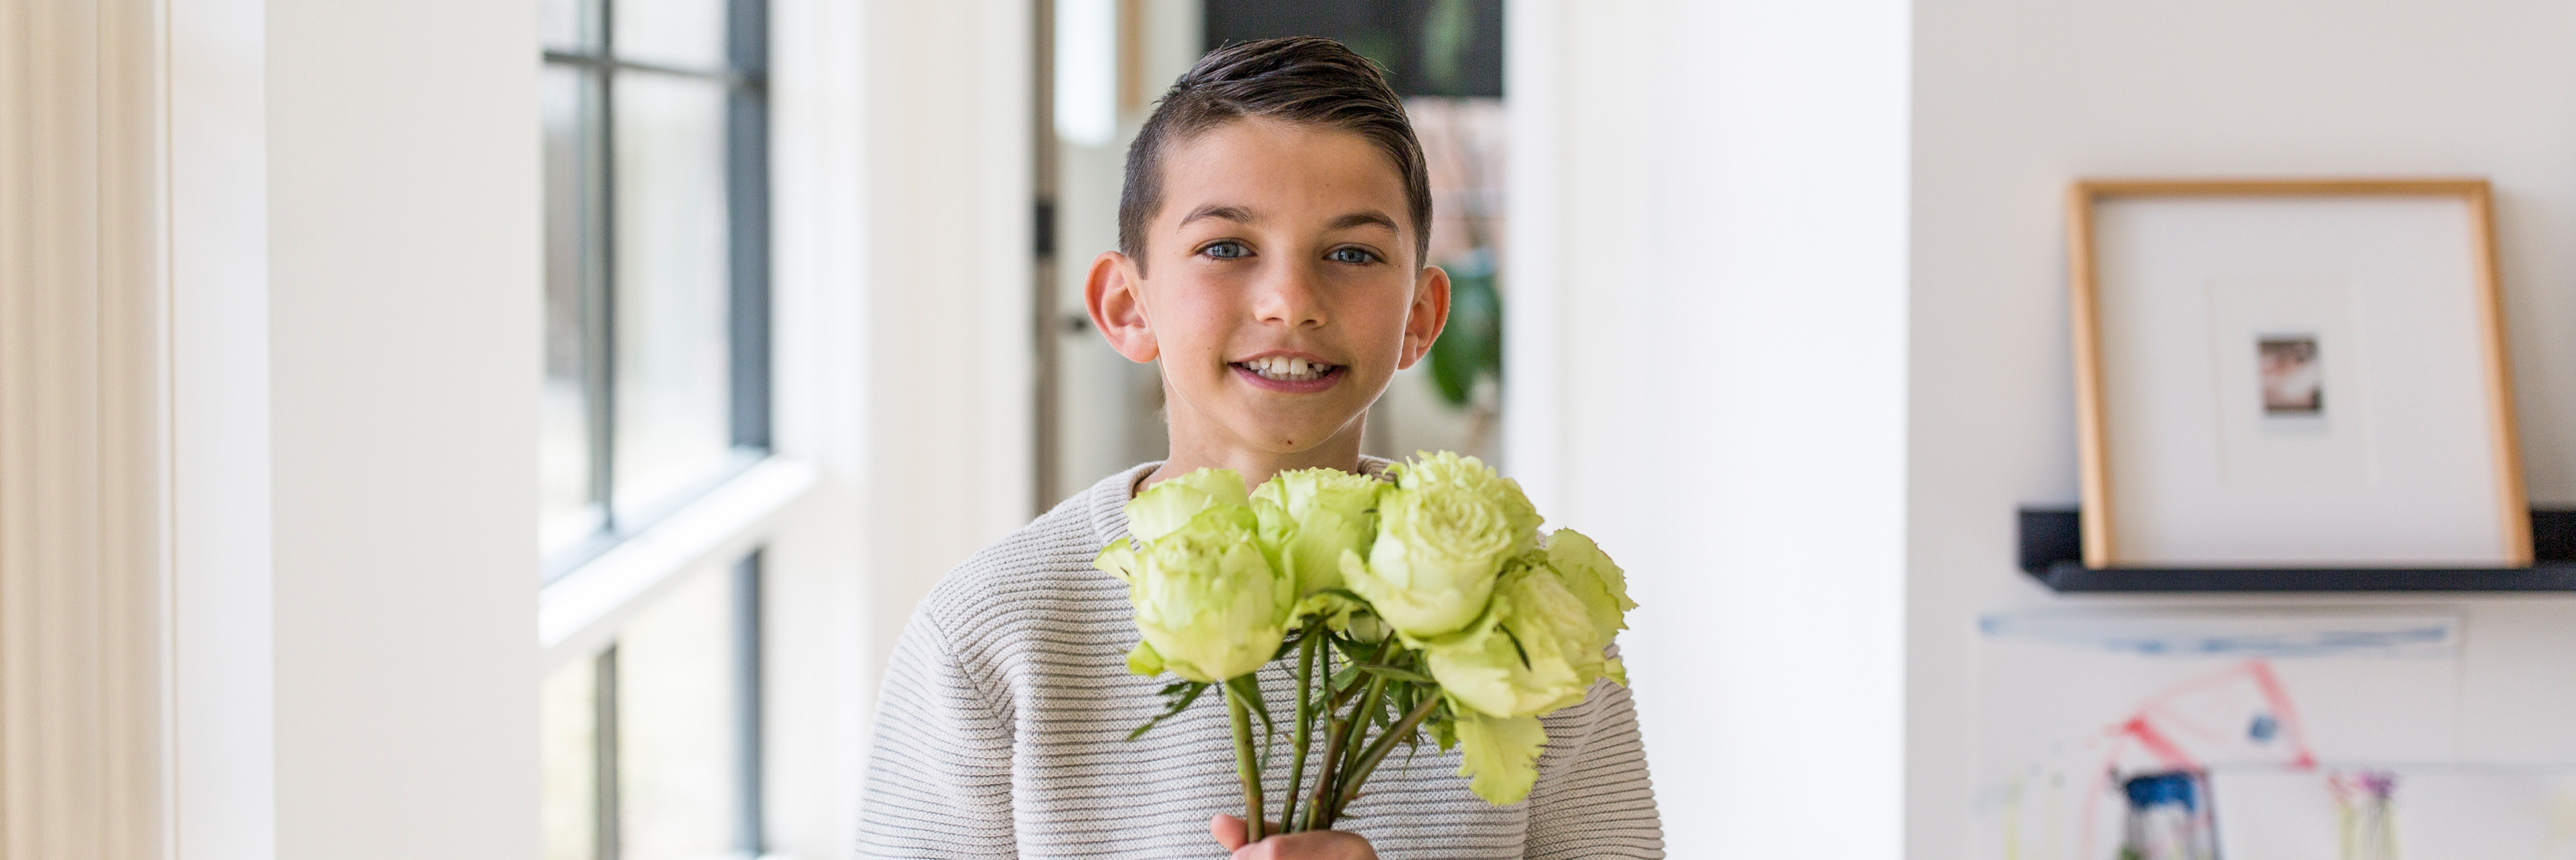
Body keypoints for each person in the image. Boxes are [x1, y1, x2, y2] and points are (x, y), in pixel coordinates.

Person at [856, 36, 1663, 860]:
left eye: (1351, 253)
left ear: (1420, 315)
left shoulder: (1533, 616)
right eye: (1226, 247)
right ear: (1126, 307)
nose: (1290, 301)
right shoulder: (992, 632)